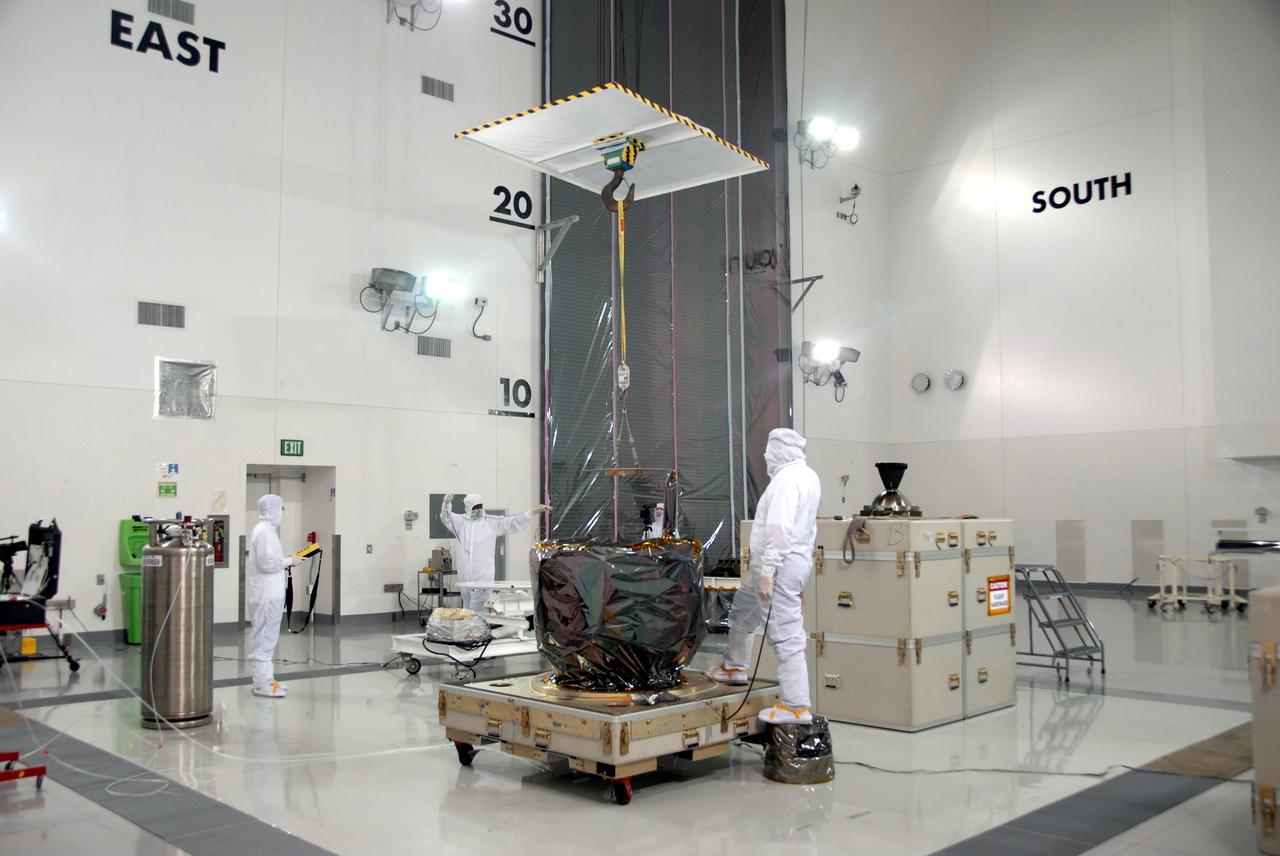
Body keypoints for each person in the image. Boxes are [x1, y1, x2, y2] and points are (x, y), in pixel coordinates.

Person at [709, 428, 821, 724]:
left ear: (780, 450)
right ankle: (735, 667)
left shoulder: (787, 480)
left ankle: (796, 705)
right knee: (744, 612)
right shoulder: (808, 475)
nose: (766, 455)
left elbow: (780, 528)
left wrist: (769, 570)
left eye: (770, 449)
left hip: (779, 566)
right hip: (781, 563)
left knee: (785, 633)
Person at [439, 494, 552, 614]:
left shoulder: (491, 521)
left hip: (483, 577)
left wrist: (532, 512)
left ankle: (479, 630)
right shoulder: (461, 522)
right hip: (465, 577)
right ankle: (470, 630)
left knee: (479, 609)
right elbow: (446, 517)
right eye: (475, 507)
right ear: (468, 508)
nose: (478, 509)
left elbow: (511, 522)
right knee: (467, 607)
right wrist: (446, 504)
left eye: (480, 506)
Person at [247, 494, 297, 699]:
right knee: (264, 640)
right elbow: (267, 563)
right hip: (267, 596)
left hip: (269, 593)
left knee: (266, 638)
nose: (283, 513)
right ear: (273, 510)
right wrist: (289, 561)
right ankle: (262, 684)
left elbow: (270, 560)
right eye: (282, 509)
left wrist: (288, 560)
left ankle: (265, 680)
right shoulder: (265, 533)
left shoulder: (266, 531)